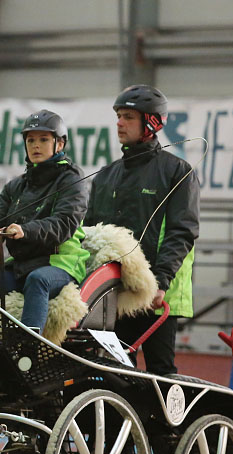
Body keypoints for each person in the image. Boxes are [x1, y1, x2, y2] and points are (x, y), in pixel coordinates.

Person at [85, 85, 199, 375]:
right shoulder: (106, 175)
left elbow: (181, 232)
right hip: (113, 293)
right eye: (118, 117)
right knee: (117, 375)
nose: (119, 124)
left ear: (151, 123)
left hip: (157, 295)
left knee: (161, 373)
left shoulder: (178, 172)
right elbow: (89, 233)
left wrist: (160, 283)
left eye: (128, 117)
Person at [0, 109, 90, 333]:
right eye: (30, 140)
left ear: (60, 144)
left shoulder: (72, 180)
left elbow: (64, 224)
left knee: (38, 280)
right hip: (20, 267)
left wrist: (25, 230)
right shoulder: (15, 186)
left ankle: (28, 348)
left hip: (60, 264)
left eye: (43, 139)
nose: (35, 145)